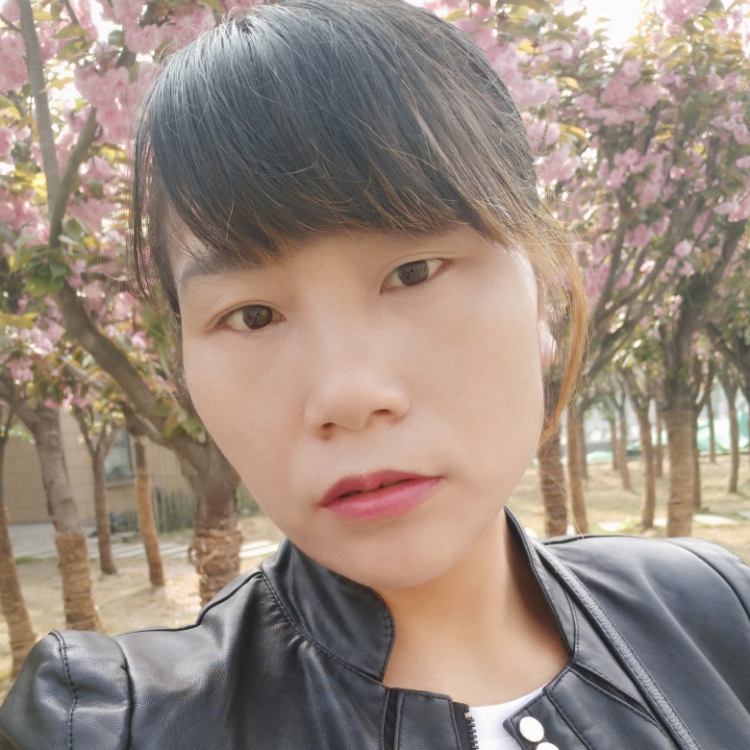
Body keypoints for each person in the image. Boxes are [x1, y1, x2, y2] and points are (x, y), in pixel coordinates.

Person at [2, 1, 750, 748]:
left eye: (414, 271)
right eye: (252, 316)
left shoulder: (712, 609)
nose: (348, 395)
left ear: (544, 299)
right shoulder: (111, 726)